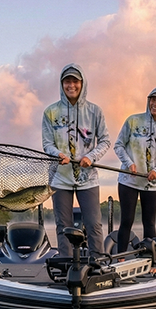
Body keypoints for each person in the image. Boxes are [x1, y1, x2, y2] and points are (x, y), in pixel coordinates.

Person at [41, 63, 111, 258]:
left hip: (88, 178)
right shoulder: (50, 112)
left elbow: (105, 141)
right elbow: (47, 143)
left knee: (93, 223)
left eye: (75, 81)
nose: (71, 85)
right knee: (63, 225)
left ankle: (97, 262)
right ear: (61, 84)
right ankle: (66, 263)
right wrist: (58, 154)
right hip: (59, 177)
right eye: (67, 81)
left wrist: (90, 156)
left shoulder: (95, 111)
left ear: (82, 83)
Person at [113, 87, 156, 253]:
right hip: (129, 180)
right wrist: (129, 163)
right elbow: (118, 145)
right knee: (126, 220)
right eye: (152, 99)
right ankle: (120, 258)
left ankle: (151, 260)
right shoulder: (133, 121)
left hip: (152, 184)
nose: (155, 104)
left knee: (149, 223)